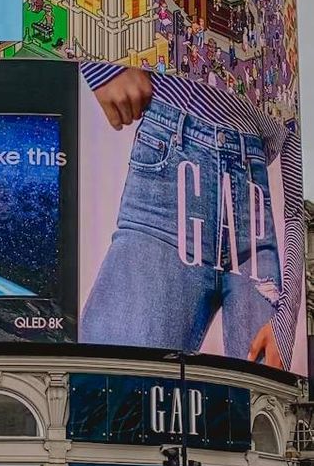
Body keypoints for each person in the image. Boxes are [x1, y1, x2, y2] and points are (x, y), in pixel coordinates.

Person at [80, 57, 302, 372]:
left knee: (262, 408)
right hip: (174, 158)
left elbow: (297, 209)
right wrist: (103, 67)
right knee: (116, 381)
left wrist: (285, 321)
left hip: (252, 211)